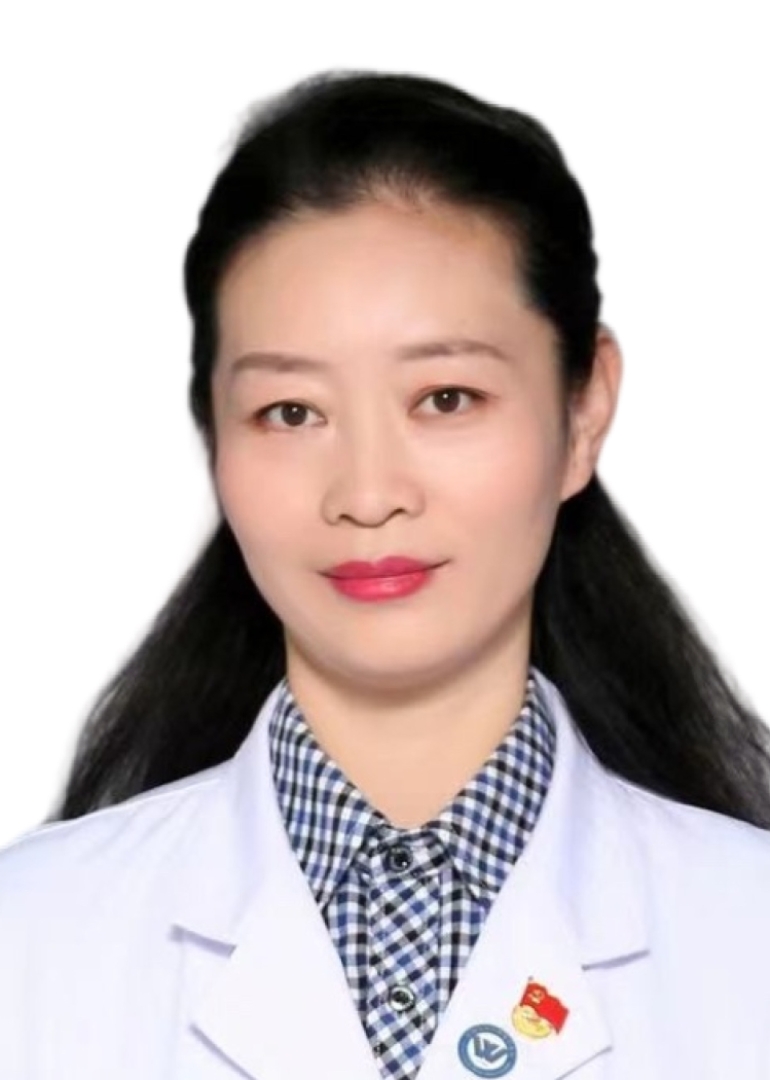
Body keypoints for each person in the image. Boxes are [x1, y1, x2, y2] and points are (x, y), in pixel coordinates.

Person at [1, 67, 770, 1080]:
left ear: (583, 410)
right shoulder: (29, 937)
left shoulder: (747, 934)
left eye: (445, 398)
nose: (367, 494)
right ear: (213, 436)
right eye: (290, 412)